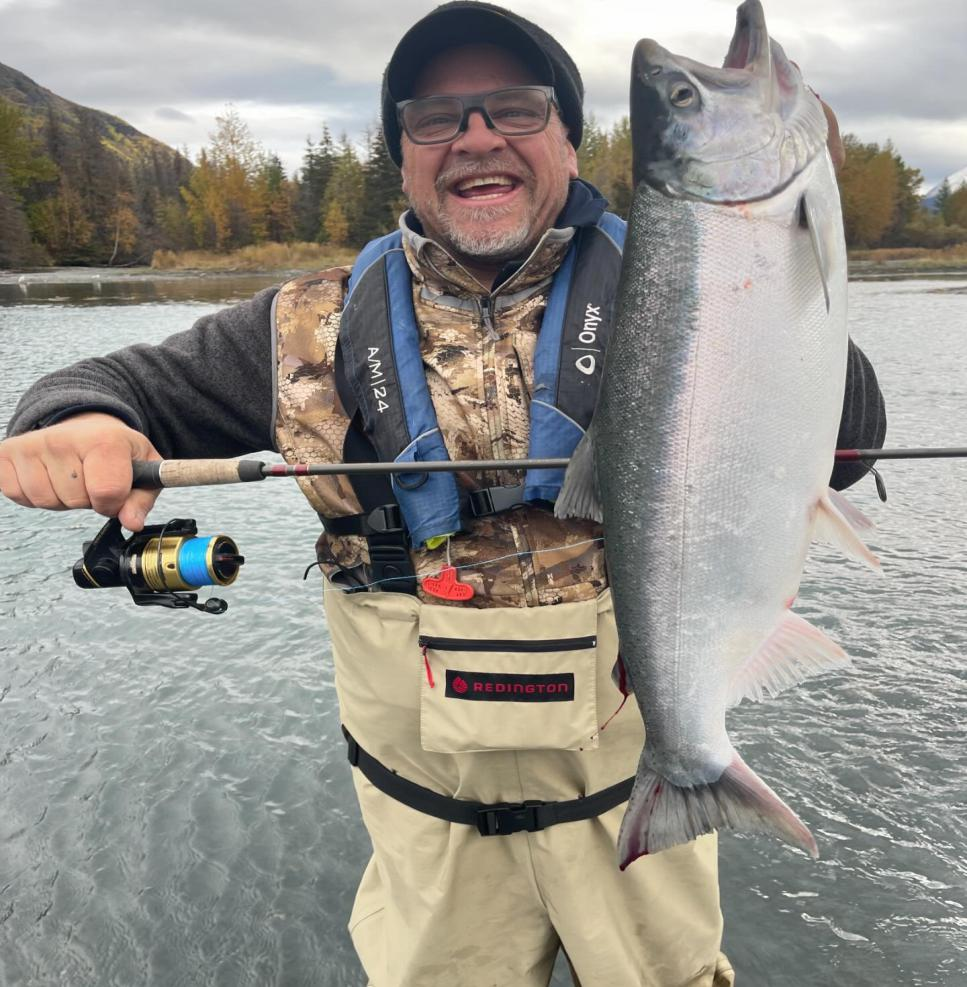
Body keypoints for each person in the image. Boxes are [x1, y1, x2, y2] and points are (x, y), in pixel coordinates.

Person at [1, 3, 885, 984]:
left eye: (513, 107)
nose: (475, 138)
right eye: (436, 119)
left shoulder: (686, 277)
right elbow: (113, 389)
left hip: (636, 808)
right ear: (403, 155)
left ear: (564, 136)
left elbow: (848, 446)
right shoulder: (306, 324)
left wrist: (784, 258)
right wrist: (69, 417)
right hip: (427, 836)